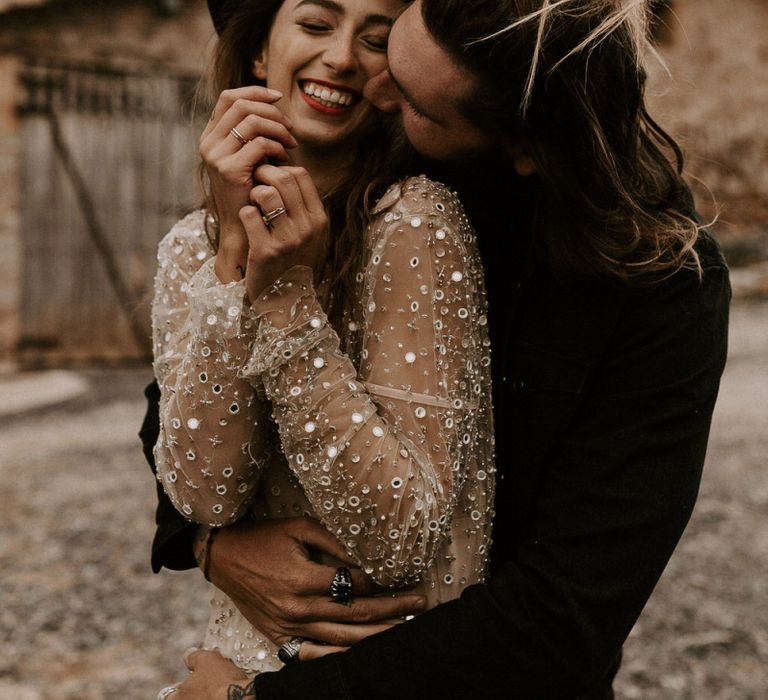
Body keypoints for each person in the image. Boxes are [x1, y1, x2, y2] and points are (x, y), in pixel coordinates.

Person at [140, 0, 731, 697]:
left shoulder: (660, 286)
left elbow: (565, 614)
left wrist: (256, 699)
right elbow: (175, 411)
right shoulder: (362, 170)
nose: (374, 84)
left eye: (411, 94)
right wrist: (211, 546)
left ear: (521, 147)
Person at [149, 0, 496, 693]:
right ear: (257, 52)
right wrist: (236, 254)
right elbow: (204, 495)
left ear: (394, 79)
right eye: (314, 25)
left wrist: (284, 299)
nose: (339, 57)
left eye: (373, 40)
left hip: (375, 672)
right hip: (234, 656)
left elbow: (403, 536)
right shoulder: (191, 246)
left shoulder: (414, 221)